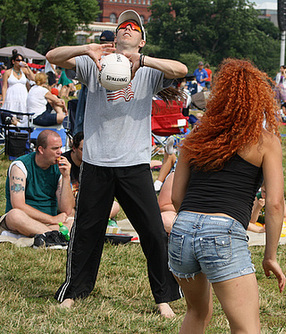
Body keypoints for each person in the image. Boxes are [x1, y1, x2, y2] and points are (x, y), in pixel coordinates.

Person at [46, 9, 188, 316]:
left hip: (134, 162)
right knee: (86, 231)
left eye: (134, 27)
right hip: (97, 161)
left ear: (141, 40)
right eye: (122, 25)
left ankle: (163, 298)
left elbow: (181, 68)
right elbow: (52, 56)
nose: (127, 28)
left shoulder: (149, 69)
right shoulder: (93, 61)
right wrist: (84, 48)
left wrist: (144, 61)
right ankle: (74, 290)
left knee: (152, 231)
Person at [169, 58, 285, 333]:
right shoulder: (264, 141)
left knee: (197, 313)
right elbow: (275, 204)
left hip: (182, 230)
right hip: (223, 232)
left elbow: (176, 197)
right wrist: (270, 255)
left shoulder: (197, 134)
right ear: (260, 100)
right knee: (246, 327)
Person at [0, 130, 74, 248]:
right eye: (55, 149)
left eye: (60, 147)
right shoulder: (20, 166)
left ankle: (46, 235)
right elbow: (18, 205)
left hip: (47, 222)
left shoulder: (59, 168)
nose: (60, 152)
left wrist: (66, 177)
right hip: (26, 219)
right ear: (41, 149)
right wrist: (52, 219)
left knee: (73, 220)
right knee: (14, 215)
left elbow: (67, 209)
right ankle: (54, 235)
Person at [62, 132, 120, 219]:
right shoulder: (64, 163)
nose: (88, 153)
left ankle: (92, 220)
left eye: (91, 149)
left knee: (115, 206)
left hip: (87, 206)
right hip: (70, 206)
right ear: (74, 148)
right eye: (83, 150)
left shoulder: (93, 163)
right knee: (69, 214)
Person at [73, 30, 115, 135]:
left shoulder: (113, 60)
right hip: (92, 95)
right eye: (102, 43)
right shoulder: (93, 58)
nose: (104, 46)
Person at [1, 50, 35, 126]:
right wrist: (3, 99)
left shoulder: (24, 71)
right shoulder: (8, 72)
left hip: (23, 95)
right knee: (11, 115)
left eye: (21, 60)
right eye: (18, 60)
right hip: (11, 95)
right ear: (13, 61)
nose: (20, 61)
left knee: (23, 114)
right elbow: (4, 87)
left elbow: (33, 78)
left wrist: (28, 67)